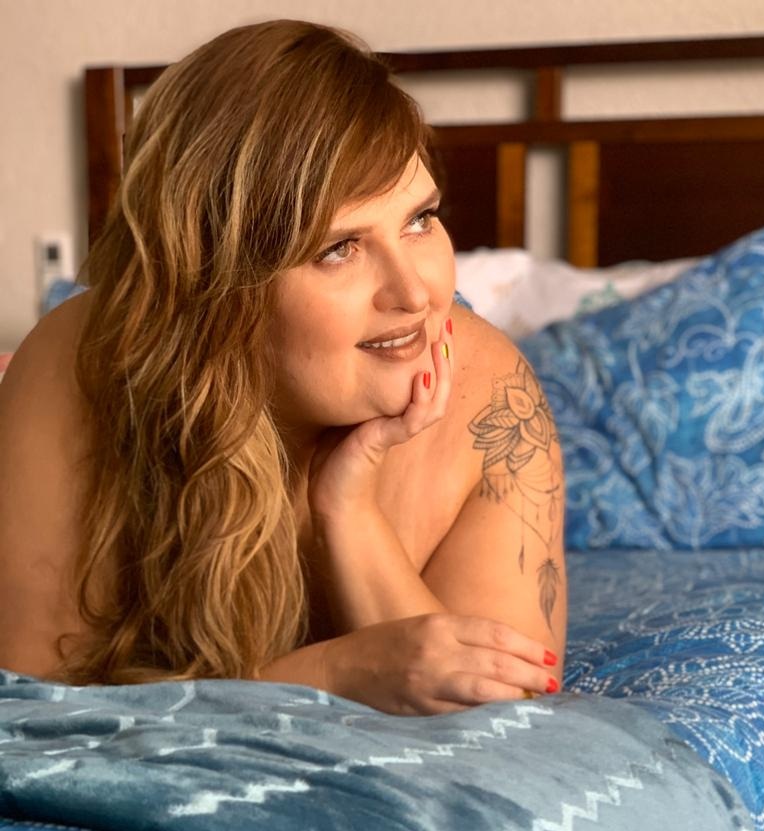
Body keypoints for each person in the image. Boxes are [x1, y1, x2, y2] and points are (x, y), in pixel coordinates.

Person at [0, 19, 566, 715]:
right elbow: (34, 710)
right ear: (218, 287)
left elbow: (507, 721)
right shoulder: (73, 367)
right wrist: (332, 672)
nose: (415, 294)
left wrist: (347, 508)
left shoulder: (495, 400)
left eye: (420, 220)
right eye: (339, 248)